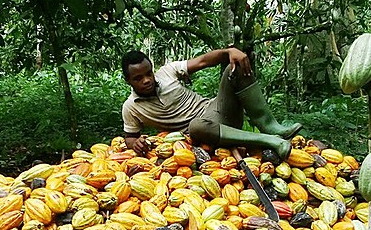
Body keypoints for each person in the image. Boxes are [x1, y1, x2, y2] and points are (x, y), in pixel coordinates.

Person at [120, 47, 301, 158]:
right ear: (128, 80)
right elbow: (130, 137)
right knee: (196, 126)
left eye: (148, 73)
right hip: (201, 134)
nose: (146, 80)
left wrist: (229, 52)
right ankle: (270, 141)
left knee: (235, 67)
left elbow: (203, 61)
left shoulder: (167, 72)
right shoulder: (131, 108)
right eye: (138, 78)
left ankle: (270, 127)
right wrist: (134, 144)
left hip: (218, 111)